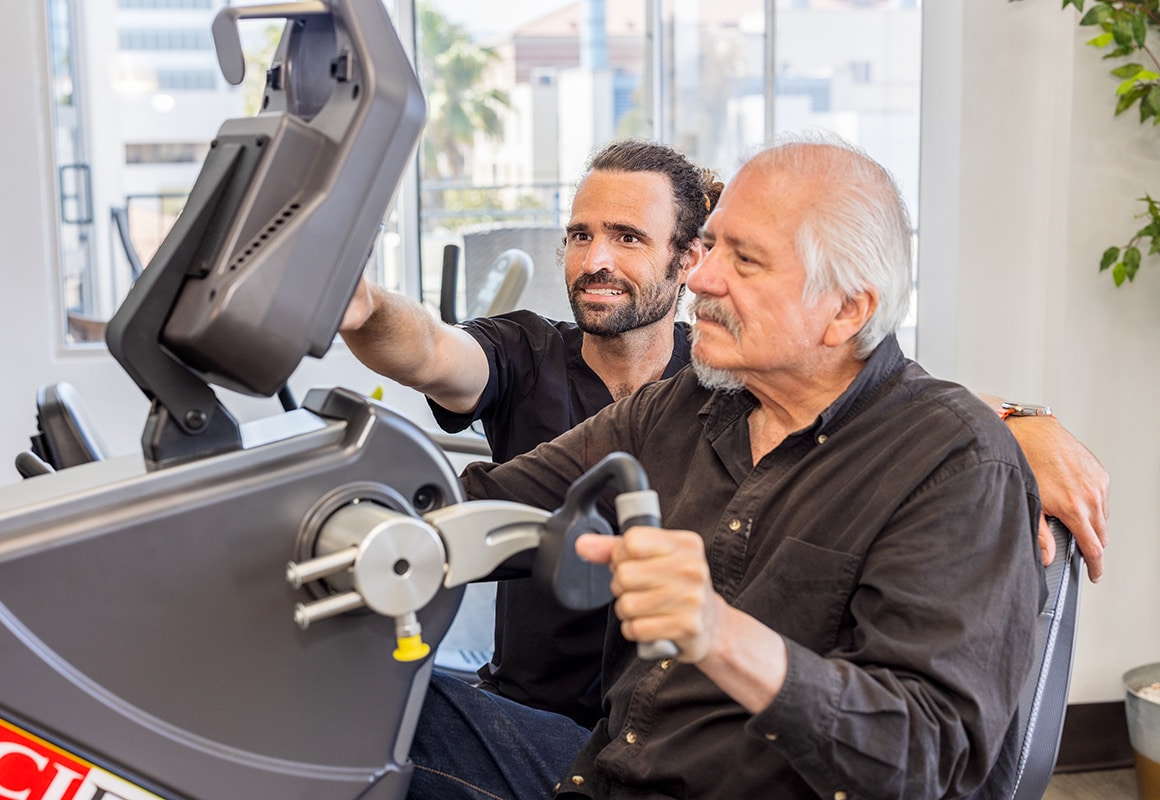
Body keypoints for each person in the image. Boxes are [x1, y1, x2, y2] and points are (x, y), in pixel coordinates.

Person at [339, 139, 1110, 728]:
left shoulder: (744, 383)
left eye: (629, 238)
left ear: (682, 260)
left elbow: (869, 382)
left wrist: (1012, 423)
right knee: (383, 716)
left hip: (682, 741)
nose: (594, 259)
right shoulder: (605, 383)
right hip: (575, 723)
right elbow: (437, 359)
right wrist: (363, 311)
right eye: (579, 235)